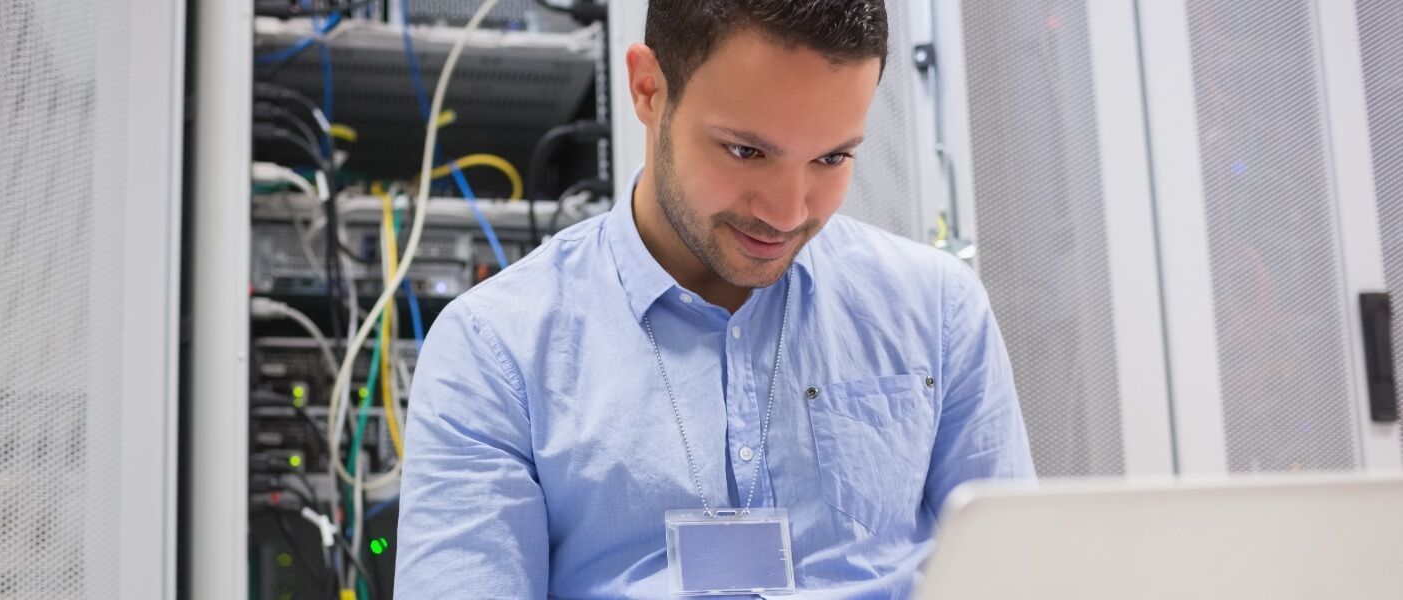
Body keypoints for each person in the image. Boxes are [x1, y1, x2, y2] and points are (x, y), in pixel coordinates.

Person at [394, 1, 1035, 597]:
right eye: (745, 150)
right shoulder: (495, 349)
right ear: (649, 89)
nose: (787, 212)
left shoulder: (937, 309)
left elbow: (1019, 579)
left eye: (832, 158)